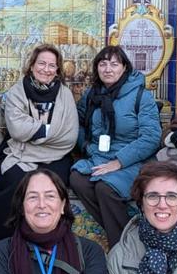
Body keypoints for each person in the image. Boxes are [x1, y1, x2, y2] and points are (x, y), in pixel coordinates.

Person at [0, 44, 80, 241]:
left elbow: (69, 136)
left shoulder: (66, 95)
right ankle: (12, 241)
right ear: (31, 65)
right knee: (18, 185)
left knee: (52, 190)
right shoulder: (17, 92)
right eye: (41, 63)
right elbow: (17, 130)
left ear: (58, 70)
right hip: (18, 154)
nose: (46, 69)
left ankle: (51, 239)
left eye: (52, 65)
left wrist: (33, 134)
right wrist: (51, 131)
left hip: (56, 157)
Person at [69, 45, 162, 244]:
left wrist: (118, 162)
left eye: (114, 64)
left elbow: (151, 137)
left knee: (105, 188)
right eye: (103, 64)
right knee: (77, 179)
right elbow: (77, 123)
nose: (108, 69)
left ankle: (122, 245)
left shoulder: (140, 96)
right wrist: (86, 147)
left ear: (124, 68)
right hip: (99, 156)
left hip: (132, 161)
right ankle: (127, 233)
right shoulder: (92, 95)